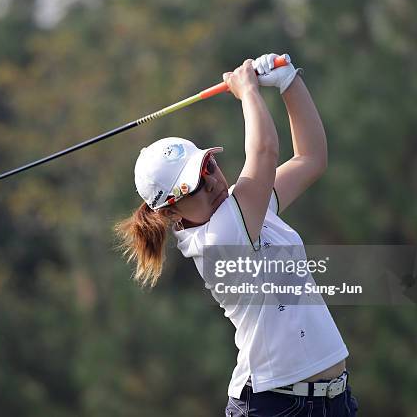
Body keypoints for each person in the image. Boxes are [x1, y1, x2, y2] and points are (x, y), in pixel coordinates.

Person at [115, 53, 358, 416]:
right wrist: (248, 92)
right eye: (194, 185)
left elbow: (311, 158)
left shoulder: (246, 208)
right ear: (169, 211)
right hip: (275, 406)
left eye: (208, 165)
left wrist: (290, 83)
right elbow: (264, 151)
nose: (212, 181)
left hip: (334, 402)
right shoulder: (217, 240)